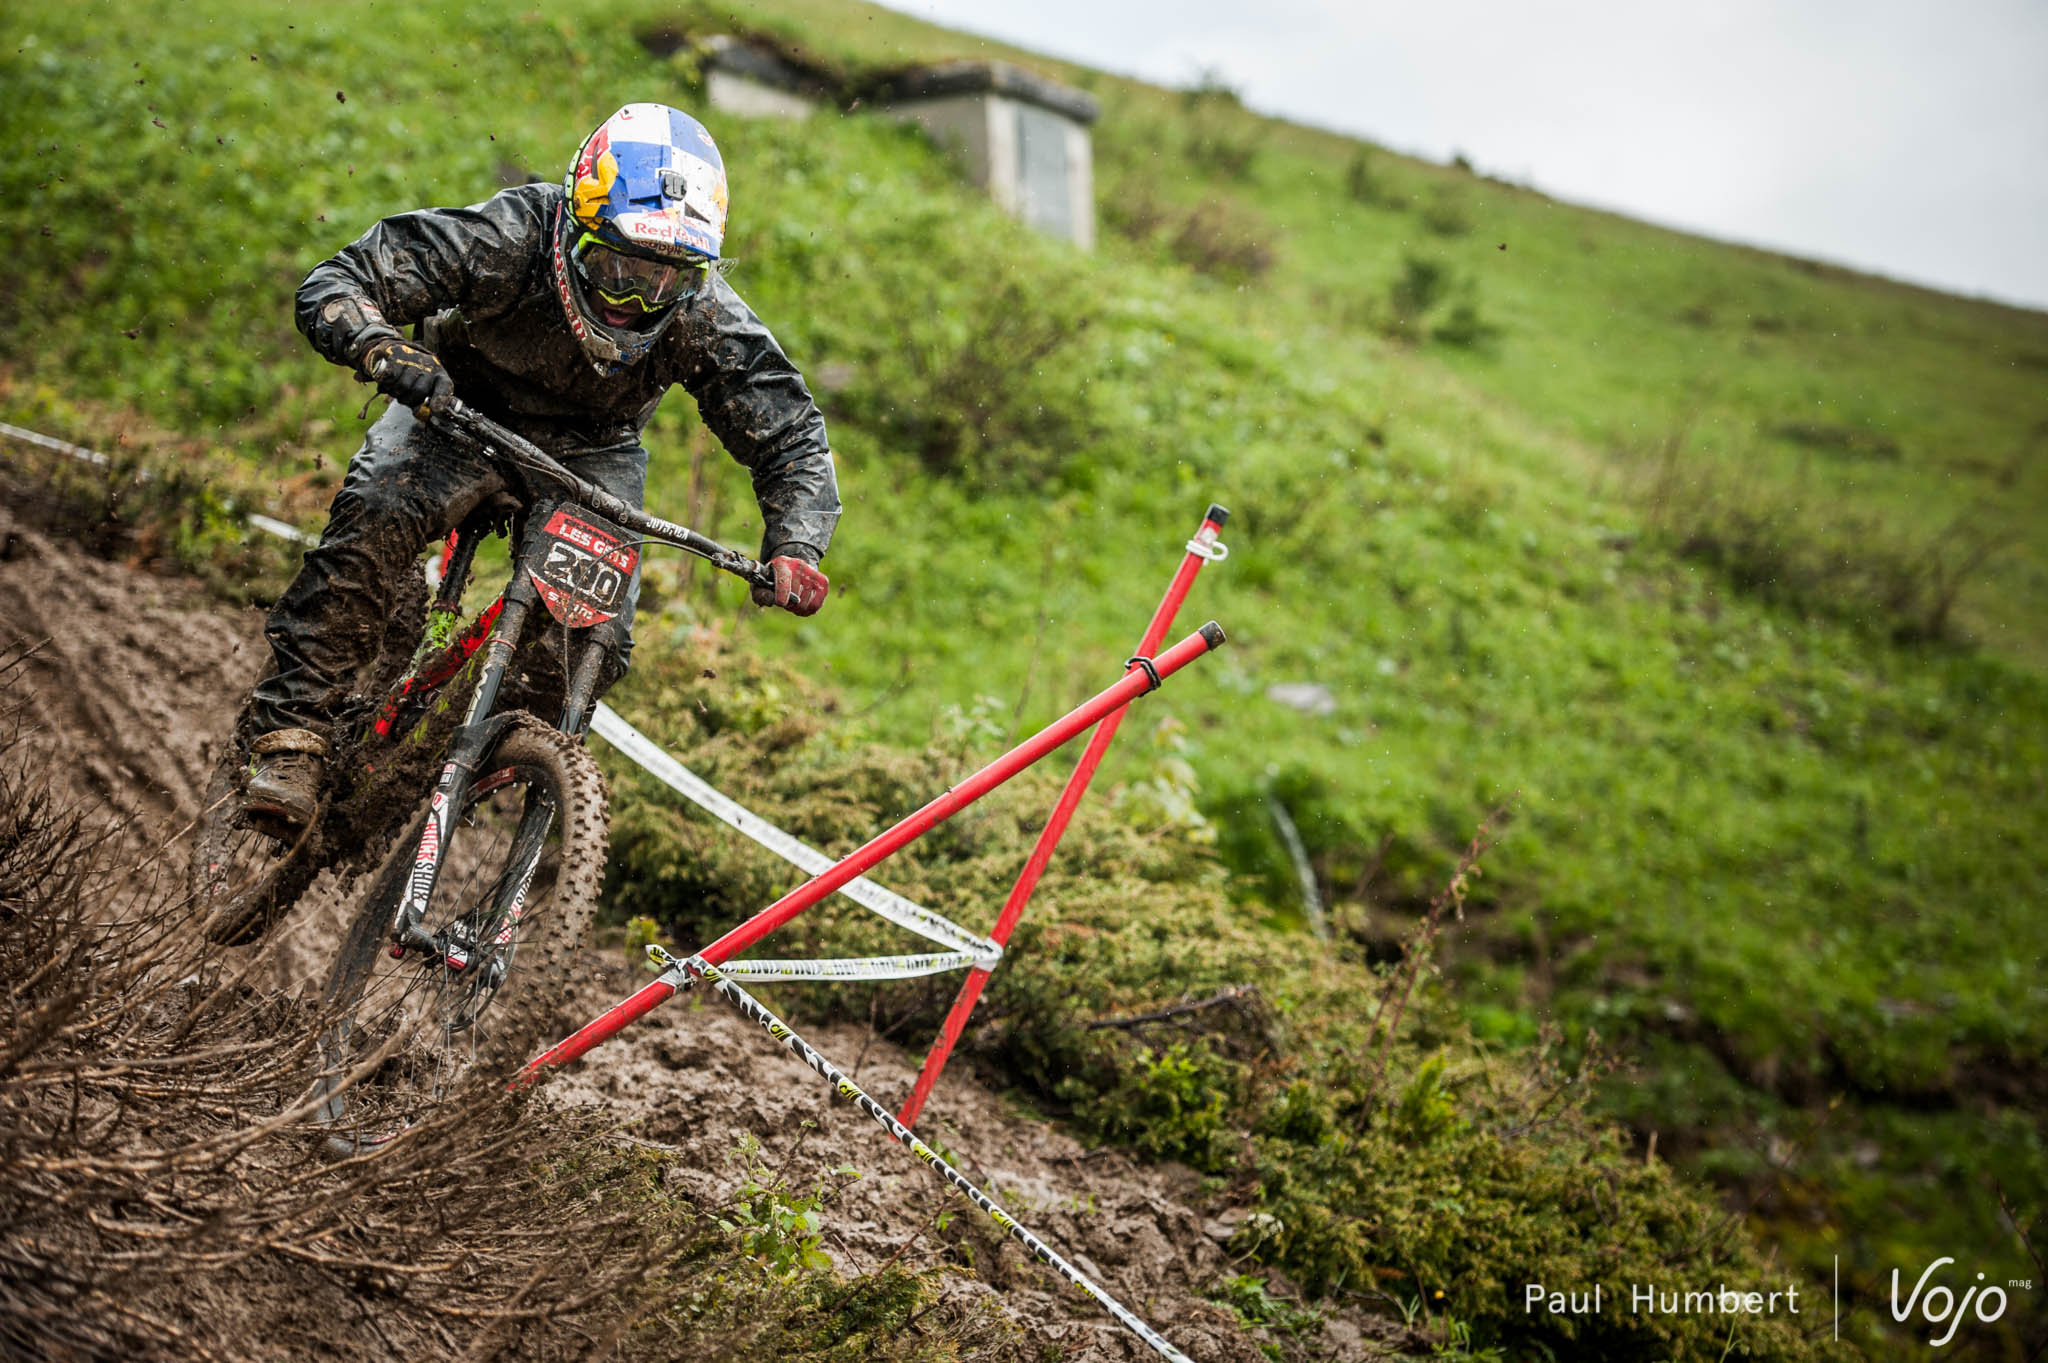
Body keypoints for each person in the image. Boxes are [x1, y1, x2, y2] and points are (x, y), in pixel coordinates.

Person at [241, 103, 839, 835]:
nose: (634, 303)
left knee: (594, 639)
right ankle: (291, 736)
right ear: (577, 229)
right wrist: (378, 344)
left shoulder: (703, 314)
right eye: (619, 269)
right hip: (458, 409)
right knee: (377, 510)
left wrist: (797, 543)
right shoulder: (511, 235)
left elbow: (791, 433)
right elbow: (342, 279)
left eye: (665, 283)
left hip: (593, 450)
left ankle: (466, 765)